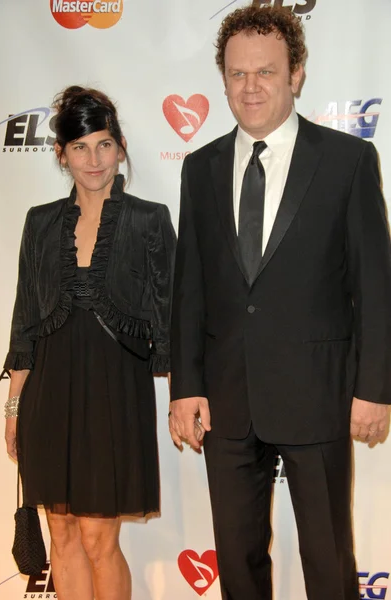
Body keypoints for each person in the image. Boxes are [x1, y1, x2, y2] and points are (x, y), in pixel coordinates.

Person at [169, 5, 391, 600]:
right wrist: (185, 384)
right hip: (228, 401)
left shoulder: (347, 162)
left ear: (296, 75)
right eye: (237, 74)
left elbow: (374, 286)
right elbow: (190, 285)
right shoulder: (200, 167)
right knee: (238, 565)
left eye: (265, 72)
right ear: (222, 79)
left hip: (318, 394)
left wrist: (373, 389)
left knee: (327, 559)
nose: (250, 87)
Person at [4, 85, 176, 600]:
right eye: (80, 147)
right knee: (63, 533)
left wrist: (187, 394)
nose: (93, 159)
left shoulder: (150, 220)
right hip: (48, 397)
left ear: (120, 147)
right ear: (61, 154)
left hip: (113, 395)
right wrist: (14, 407)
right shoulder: (39, 223)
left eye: (103, 144)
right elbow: (24, 323)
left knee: (101, 537)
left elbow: (173, 316)